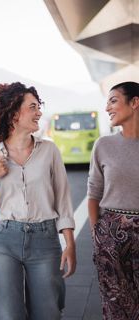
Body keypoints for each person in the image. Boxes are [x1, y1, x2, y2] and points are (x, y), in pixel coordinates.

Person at [0, 82, 76, 320]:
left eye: (38, 107)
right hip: (3, 240)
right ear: (14, 112)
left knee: (48, 312)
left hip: (45, 239)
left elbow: (63, 200)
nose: (39, 112)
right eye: (32, 107)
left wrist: (69, 244)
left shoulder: (49, 151)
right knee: (7, 314)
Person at [87, 81, 139, 320]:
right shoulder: (103, 145)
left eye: (113, 100)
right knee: (116, 307)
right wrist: (97, 235)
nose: (107, 107)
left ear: (135, 103)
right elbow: (94, 193)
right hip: (111, 237)